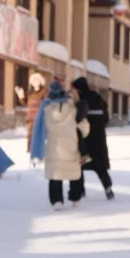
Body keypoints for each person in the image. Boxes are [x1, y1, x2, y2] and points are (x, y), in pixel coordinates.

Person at [30, 77, 88, 207]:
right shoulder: (73, 109)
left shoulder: (46, 110)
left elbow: (41, 130)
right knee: (74, 172)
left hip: (54, 147)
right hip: (72, 146)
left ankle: (56, 201)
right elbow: (84, 129)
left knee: (55, 174)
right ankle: (75, 197)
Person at [71, 76, 113, 199]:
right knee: (100, 166)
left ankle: (80, 190)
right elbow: (106, 119)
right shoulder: (99, 99)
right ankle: (108, 187)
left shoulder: (79, 102)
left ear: (78, 89)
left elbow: (74, 119)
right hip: (98, 138)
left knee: (79, 165)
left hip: (83, 138)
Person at [25, 72, 47, 155]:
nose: (35, 82)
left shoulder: (43, 92)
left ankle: (38, 149)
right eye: (34, 80)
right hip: (30, 116)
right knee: (30, 134)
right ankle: (29, 149)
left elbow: (46, 103)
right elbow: (26, 103)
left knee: (38, 133)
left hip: (39, 115)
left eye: (37, 80)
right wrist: (21, 96)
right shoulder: (30, 92)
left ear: (40, 82)